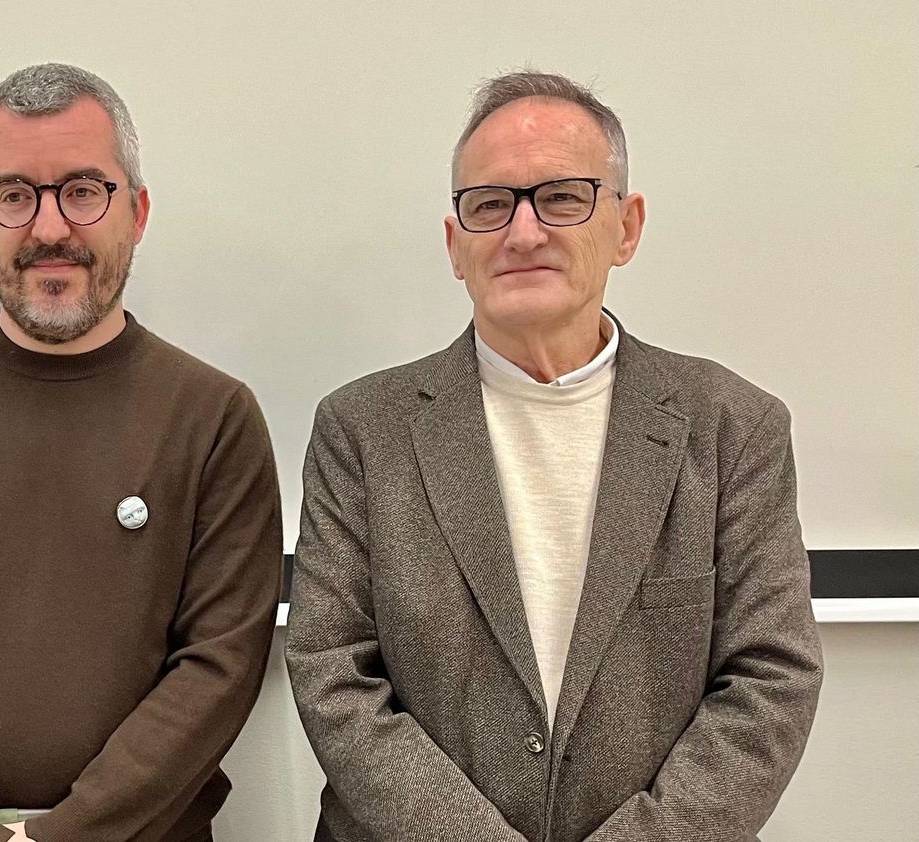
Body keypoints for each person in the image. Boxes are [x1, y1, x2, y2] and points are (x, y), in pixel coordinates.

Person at [287, 71, 823, 841]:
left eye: (563, 197)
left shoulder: (733, 426)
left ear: (626, 226)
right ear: (455, 245)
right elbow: (333, 673)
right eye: (490, 204)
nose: (524, 231)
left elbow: (772, 680)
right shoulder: (361, 430)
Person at [0, 63, 283, 842]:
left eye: (82, 190)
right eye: (14, 195)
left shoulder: (215, 418)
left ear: (136, 211)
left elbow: (217, 667)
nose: (48, 229)